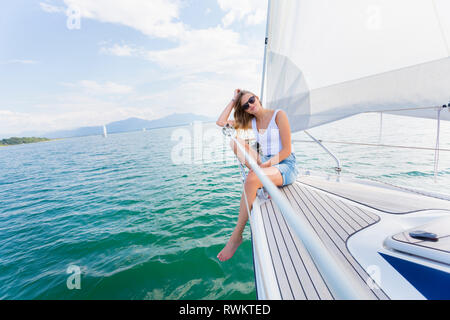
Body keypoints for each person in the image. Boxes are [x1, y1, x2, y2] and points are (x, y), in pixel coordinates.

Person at [215, 89, 299, 261]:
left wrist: (264, 166)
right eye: (245, 105)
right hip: (265, 162)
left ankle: (236, 236)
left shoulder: (278, 115)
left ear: (257, 98)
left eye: (251, 100)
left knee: (252, 178)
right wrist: (233, 100)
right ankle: (261, 178)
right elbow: (221, 122)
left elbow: (287, 150)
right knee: (234, 141)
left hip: (284, 165)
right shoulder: (252, 121)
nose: (250, 105)